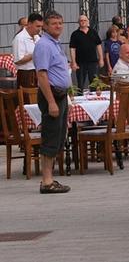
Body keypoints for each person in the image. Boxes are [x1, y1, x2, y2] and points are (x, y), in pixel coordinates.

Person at [33, 10, 72, 193]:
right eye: (54, 23)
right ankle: (46, 181)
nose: (58, 26)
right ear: (46, 27)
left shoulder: (55, 44)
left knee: (58, 137)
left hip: (61, 95)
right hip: (52, 95)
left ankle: (50, 178)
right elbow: (42, 75)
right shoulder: (44, 45)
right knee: (50, 137)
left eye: (60, 23)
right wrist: (51, 102)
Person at [14, 12, 43, 88]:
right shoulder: (20, 38)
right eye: (37, 26)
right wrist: (35, 54)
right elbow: (18, 60)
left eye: (41, 26)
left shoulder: (37, 37)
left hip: (38, 72)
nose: (39, 29)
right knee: (29, 99)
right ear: (29, 24)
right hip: (26, 74)